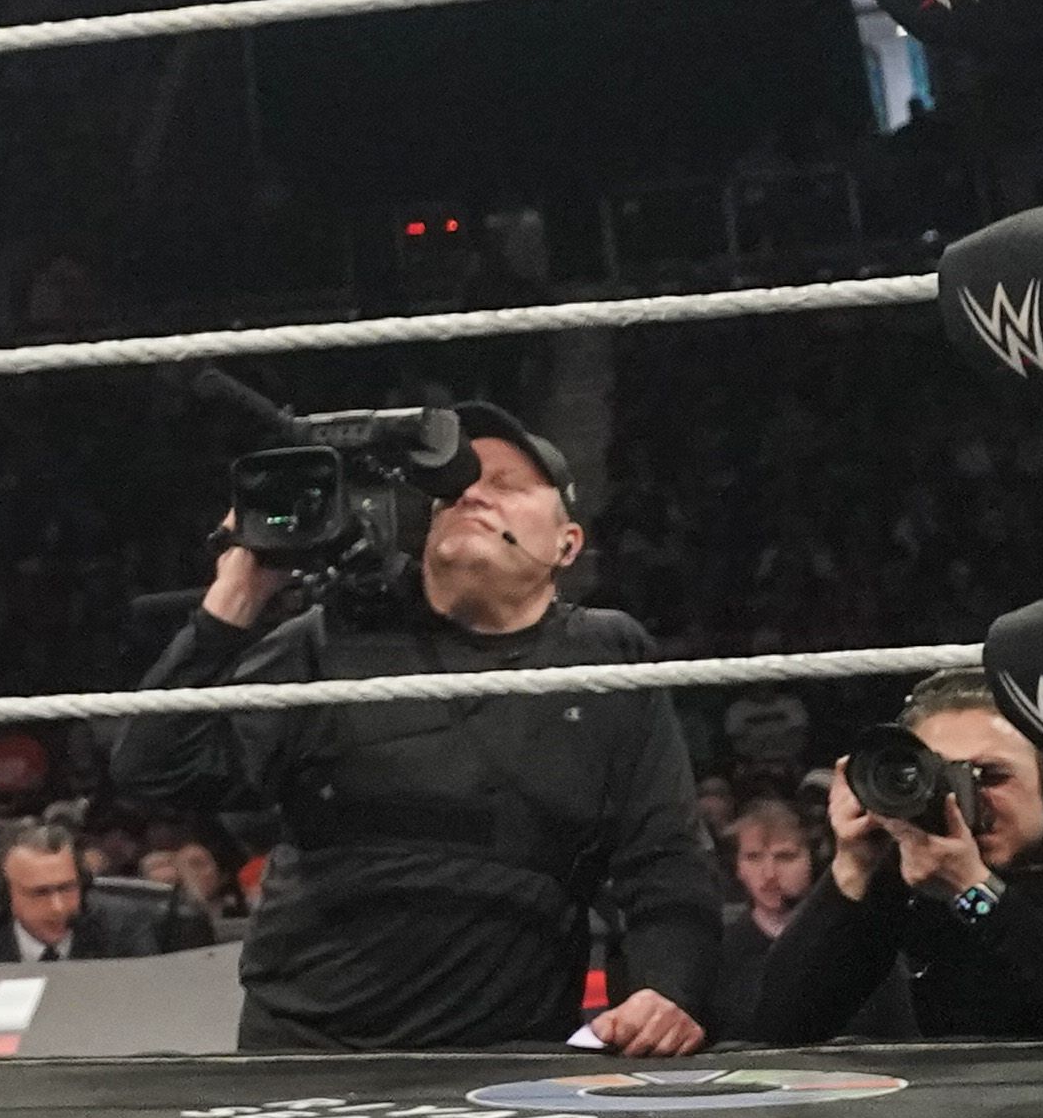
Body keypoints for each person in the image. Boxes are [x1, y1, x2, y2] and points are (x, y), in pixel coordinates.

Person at [107, 403, 721, 1056]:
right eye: (454, 488)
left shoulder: (603, 655)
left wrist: (668, 987)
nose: (472, 494)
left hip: (504, 1050)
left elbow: (664, 853)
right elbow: (155, 771)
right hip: (306, 1046)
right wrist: (236, 596)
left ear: (566, 544)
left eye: (507, 484)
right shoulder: (332, 640)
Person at [731, 675, 1043, 1049]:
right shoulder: (915, 865)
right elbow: (782, 1025)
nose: (962, 799)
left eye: (990, 776)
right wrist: (851, 869)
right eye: (940, 778)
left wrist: (975, 892)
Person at [0, 818, 209, 965]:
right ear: (6, 894)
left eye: (67, 888)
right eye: (40, 893)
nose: (59, 907)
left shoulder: (122, 928)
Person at [712, 792, 826, 1036]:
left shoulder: (849, 939)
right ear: (738, 867)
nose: (769, 874)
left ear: (813, 861)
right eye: (753, 857)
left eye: (785, 857)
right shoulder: (716, 952)